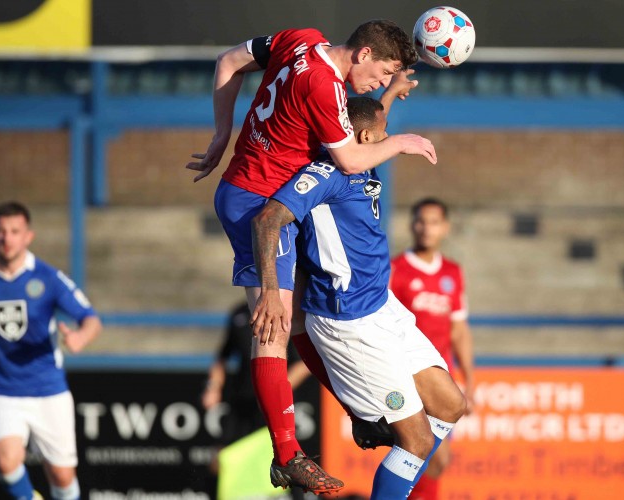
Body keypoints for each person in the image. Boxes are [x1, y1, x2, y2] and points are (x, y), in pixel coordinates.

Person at [186, 19, 436, 493]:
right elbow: (350, 159)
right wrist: (402, 142)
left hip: (264, 191)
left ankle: (357, 416)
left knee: (298, 322)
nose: (379, 83)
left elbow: (229, 61)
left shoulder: (303, 39)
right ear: (363, 54)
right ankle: (286, 454)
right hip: (259, 204)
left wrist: (223, 134)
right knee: (273, 326)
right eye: (381, 73)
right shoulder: (324, 86)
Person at [251, 96, 467, 498]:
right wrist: (269, 289)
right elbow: (268, 219)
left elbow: (365, 122)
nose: (385, 141)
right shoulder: (324, 175)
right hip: (350, 321)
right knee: (416, 442)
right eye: (381, 136)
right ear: (366, 137)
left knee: (451, 405)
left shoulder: (360, 157)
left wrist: (391, 90)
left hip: (382, 306)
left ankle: (401, 468)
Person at [0, 202, 102, 500]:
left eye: (14, 231)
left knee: (63, 478)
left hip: (47, 389)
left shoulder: (48, 278)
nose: (7, 238)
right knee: (5, 460)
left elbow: (90, 319)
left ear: (28, 236)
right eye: (1, 231)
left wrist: (80, 338)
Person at [390, 198, 475, 500]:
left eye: (434, 222)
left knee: (429, 459)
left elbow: (459, 330)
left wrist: (470, 381)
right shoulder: (396, 270)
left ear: (445, 227)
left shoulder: (452, 272)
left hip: (443, 379)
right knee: (431, 456)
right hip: (411, 375)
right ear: (412, 224)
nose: (427, 228)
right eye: (421, 221)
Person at [201, 303, 311, 499]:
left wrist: (273, 394)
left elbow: (303, 363)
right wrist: (213, 388)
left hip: (274, 405)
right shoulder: (239, 314)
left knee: (288, 461)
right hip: (242, 403)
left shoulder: (285, 312)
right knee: (219, 461)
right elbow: (222, 358)